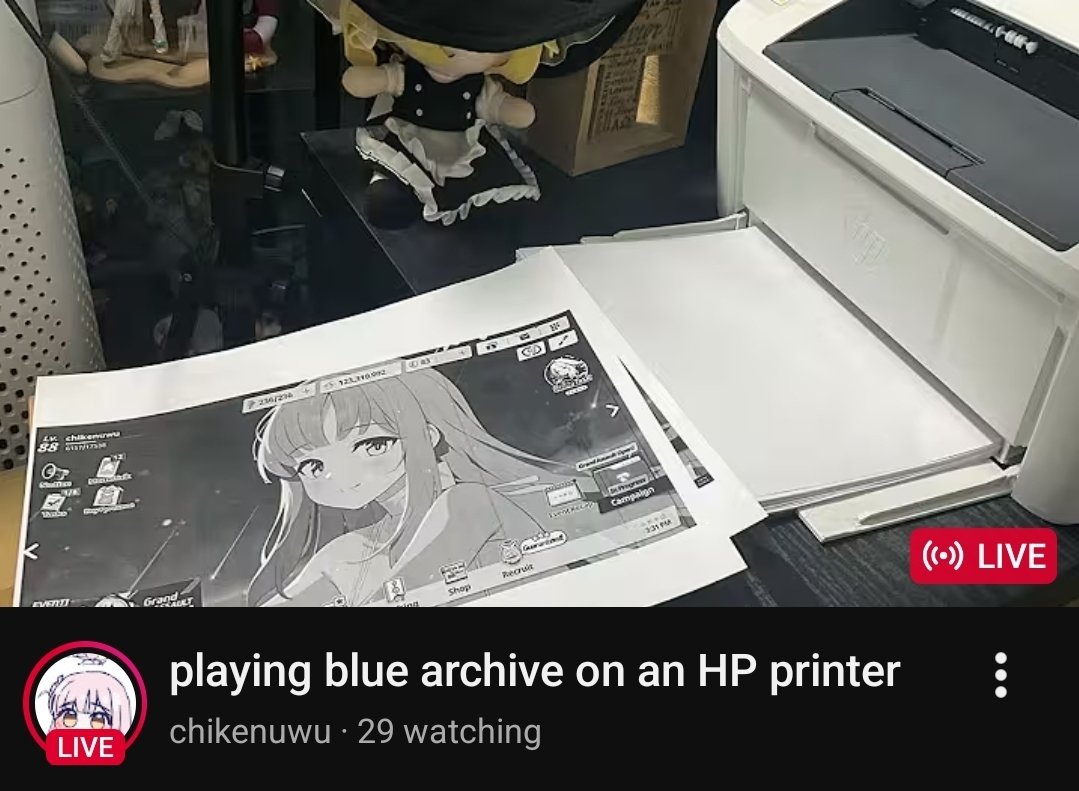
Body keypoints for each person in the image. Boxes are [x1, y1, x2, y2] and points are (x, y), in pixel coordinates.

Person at [248, 368, 598, 607]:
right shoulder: (347, 551)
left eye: (372, 445)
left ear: (428, 436)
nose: (340, 477)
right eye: (313, 466)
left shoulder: (467, 502)